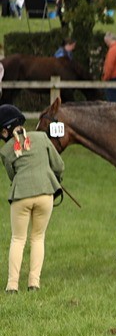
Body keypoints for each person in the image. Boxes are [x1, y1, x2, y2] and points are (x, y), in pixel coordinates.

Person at [1, 104, 64, 293]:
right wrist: (53, 178)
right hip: (45, 194)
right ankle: (34, 284)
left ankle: (12, 285)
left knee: (18, 239)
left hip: (21, 196)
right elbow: (59, 166)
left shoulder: (5, 151)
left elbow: (12, 175)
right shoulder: (42, 137)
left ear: (5, 130)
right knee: (38, 238)